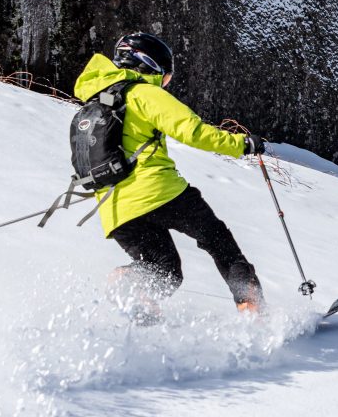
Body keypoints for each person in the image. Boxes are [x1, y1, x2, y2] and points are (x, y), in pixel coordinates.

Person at [75, 31, 268, 319]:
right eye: (165, 77)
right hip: (161, 192)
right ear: (149, 65)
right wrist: (241, 144)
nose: (165, 84)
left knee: (164, 271)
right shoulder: (143, 93)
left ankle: (134, 296)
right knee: (218, 240)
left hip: (116, 209)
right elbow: (192, 131)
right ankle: (253, 308)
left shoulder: (95, 102)